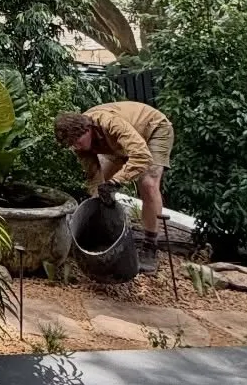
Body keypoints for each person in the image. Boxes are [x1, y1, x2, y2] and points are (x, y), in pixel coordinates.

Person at [53, 102, 174, 272]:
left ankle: (150, 246)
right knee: (101, 188)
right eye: (71, 145)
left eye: (77, 142)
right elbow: (94, 177)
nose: (75, 147)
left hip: (153, 129)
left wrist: (116, 182)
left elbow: (141, 156)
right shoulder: (78, 140)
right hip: (120, 144)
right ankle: (98, 235)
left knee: (148, 183)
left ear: (87, 130)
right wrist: (100, 193)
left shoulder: (110, 123)